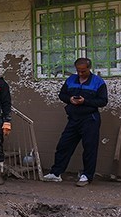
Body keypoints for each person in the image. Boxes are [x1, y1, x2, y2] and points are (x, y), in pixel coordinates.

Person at [42, 57, 108, 187]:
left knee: (89, 148)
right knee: (64, 145)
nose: (80, 73)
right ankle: (56, 173)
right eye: (78, 71)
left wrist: (85, 101)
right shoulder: (71, 79)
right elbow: (62, 95)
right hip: (73, 119)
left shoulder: (98, 82)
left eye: (83, 71)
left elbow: (103, 101)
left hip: (90, 119)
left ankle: (87, 176)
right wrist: (70, 99)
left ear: (89, 68)